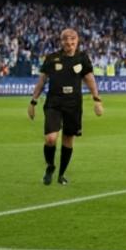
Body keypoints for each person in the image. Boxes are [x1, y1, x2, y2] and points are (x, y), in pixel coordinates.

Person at [27, 26, 104, 186]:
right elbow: (42, 81)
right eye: (66, 40)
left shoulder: (82, 58)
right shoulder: (52, 58)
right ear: (61, 41)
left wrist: (97, 100)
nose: (69, 43)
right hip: (54, 103)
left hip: (73, 104)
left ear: (77, 41)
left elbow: (90, 79)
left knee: (68, 140)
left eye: (72, 39)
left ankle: (61, 174)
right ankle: (50, 166)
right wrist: (33, 101)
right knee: (50, 139)